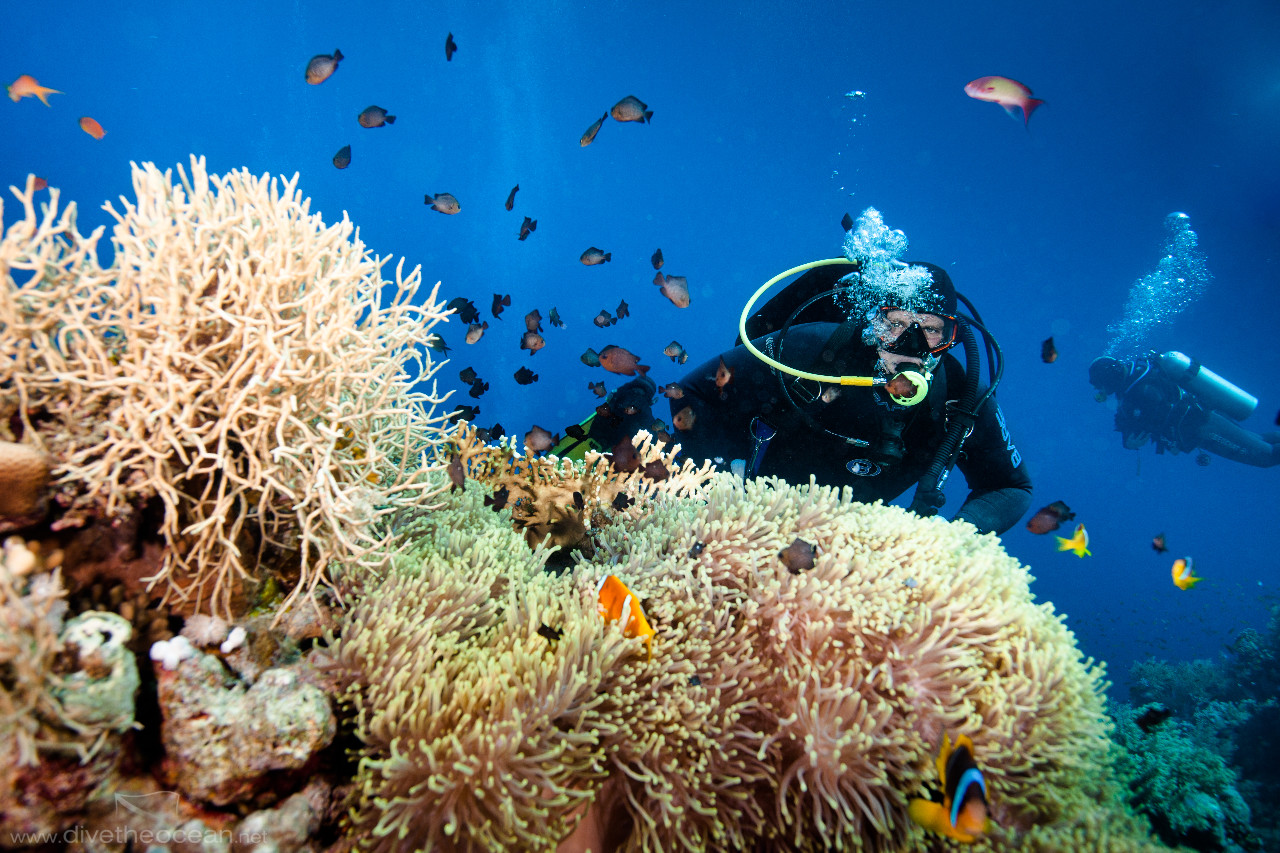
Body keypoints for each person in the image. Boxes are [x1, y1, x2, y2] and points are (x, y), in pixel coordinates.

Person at [584, 259, 1032, 535]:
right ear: (871, 321)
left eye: (931, 329)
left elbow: (1010, 486)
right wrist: (719, 475)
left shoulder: (960, 398)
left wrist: (955, 538)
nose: (909, 343)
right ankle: (630, 397)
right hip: (736, 492)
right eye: (894, 323)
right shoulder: (807, 348)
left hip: (826, 535)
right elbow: (696, 390)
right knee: (627, 451)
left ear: (952, 339)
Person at [1088, 353, 1280, 467]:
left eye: (1100, 385)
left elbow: (1153, 419)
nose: (1101, 391)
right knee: (1261, 442)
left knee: (1266, 457)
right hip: (1206, 420)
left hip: (1205, 429)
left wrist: (1130, 439)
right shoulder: (1134, 383)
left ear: (1109, 379)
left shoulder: (1140, 391)